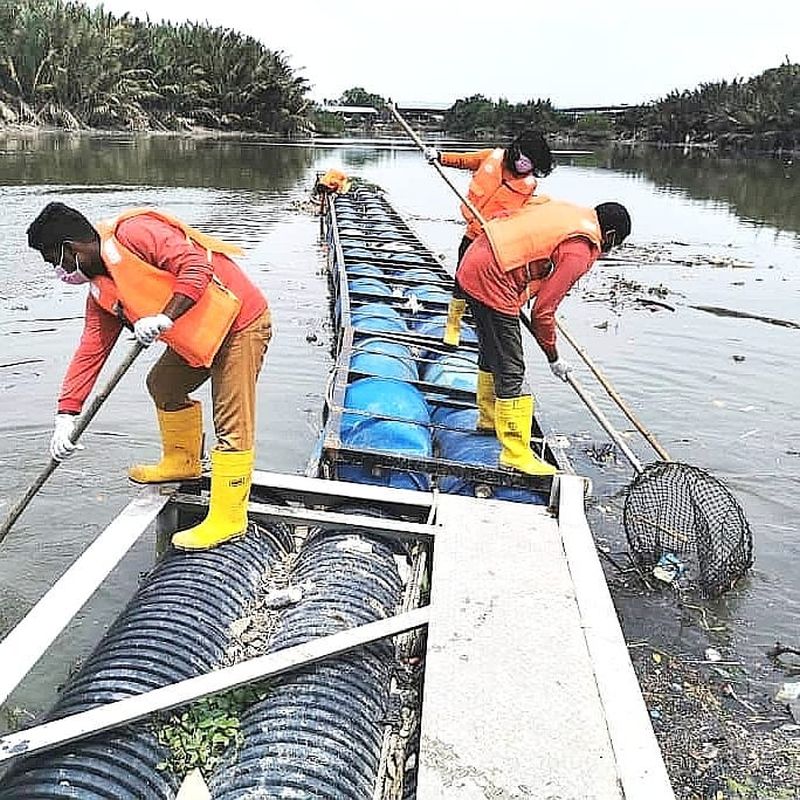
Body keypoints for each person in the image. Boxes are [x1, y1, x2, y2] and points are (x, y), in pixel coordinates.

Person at [27, 203, 272, 550]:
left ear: (72, 248)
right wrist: (66, 414)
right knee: (163, 384)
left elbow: (196, 266)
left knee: (231, 420)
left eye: (56, 260)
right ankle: (182, 462)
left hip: (240, 323)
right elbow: (90, 351)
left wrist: (165, 317)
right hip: (203, 333)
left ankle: (229, 518)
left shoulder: (136, 234)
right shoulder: (102, 291)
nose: (59, 271)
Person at [454, 196, 631, 475]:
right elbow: (543, 313)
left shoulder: (570, 211)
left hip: (474, 261)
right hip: (491, 278)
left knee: (492, 352)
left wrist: (522, 290)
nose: (609, 250)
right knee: (512, 369)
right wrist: (554, 357)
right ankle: (516, 453)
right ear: (609, 235)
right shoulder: (581, 249)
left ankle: (488, 419)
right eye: (615, 244)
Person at [424, 130, 554, 345]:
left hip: (493, 244)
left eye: (530, 163)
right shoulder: (492, 157)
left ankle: (478, 325)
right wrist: (439, 156)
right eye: (522, 158)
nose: (524, 165)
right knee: (460, 281)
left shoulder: (529, 186)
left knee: (484, 288)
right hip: (472, 235)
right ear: (515, 151)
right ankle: (453, 325)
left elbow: (524, 216)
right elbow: (464, 160)